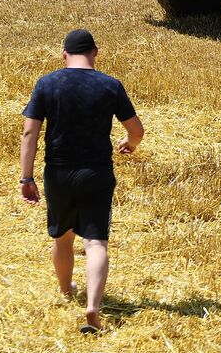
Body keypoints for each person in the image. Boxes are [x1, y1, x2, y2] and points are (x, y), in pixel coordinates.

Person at [20, 29, 144, 334]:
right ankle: (93, 305)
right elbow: (137, 129)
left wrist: (26, 177)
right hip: (97, 172)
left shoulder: (48, 83)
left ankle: (66, 291)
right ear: (95, 52)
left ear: (64, 55)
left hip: (59, 172)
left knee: (63, 237)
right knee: (96, 242)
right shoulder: (109, 85)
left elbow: (29, 134)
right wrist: (130, 142)